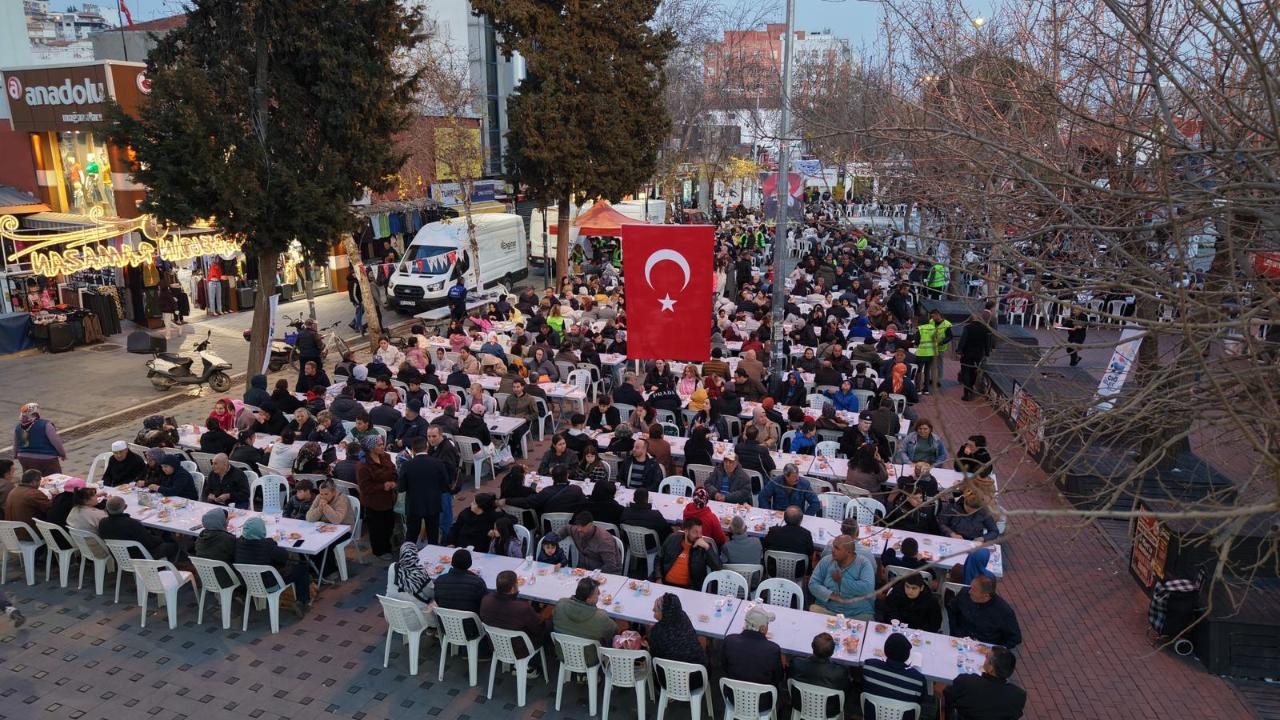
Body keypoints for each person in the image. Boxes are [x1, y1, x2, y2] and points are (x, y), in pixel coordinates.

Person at [236, 516, 312, 609]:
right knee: (301, 567)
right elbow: (284, 557)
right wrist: (273, 542)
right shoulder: (267, 545)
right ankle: (302, 602)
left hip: (247, 583)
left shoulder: (239, 543)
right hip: (270, 584)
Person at [480, 570, 546, 669]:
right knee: (548, 626)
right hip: (519, 648)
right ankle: (532, 665)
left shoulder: (486, 600)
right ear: (512, 589)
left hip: (495, 644)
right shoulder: (521, 608)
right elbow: (539, 628)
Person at [721, 606, 784, 706]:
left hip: (733, 697)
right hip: (762, 702)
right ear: (763, 629)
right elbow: (778, 678)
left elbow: (725, 666)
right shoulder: (773, 649)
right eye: (767, 624)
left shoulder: (729, 640)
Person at [943, 645, 1026, 720]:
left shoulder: (966, 682)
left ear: (991, 668)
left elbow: (947, 695)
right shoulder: (1019, 696)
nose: (984, 659)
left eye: (987, 657)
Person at [862, 632, 930, 718]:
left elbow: (864, 687)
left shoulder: (869, 666)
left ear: (886, 651)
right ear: (907, 655)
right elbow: (920, 701)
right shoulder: (918, 680)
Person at [552, 577, 619, 664]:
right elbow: (614, 631)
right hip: (589, 658)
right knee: (610, 637)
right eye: (597, 593)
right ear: (588, 599)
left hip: (563, 653)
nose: (599, 594)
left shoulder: (560, 604)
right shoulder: (600, 617)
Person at [398, 436, 451, 545]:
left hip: (414, 504)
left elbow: (401, 488)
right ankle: (432, 556)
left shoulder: (407, 465)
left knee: (411, 534)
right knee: (433, 534)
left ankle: (407, 555)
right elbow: (445, 485)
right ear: (426, 447)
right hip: (433, 503)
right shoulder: (438, 463)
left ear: (412, 449)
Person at [808, 534, 876, 618]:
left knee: (867, 623)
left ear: (849, 552)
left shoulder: (863, 563)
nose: (832, 550)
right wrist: (832, 595)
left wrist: (842, 581)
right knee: (813, 612)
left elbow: (868, 588)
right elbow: (813, 584)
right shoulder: (827, 560)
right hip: (827, 609)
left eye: (837, 548)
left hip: (857, 612)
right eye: (833, 547)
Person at [647, 593, 707, 686]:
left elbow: (655, 657)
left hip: (672, 681)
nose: (653, 610)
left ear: (664, 613)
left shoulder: (657, 632)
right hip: (699, 676)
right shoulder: (683, 617)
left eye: (656, 609)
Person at [948, 576, 1022, 649]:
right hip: (960, 641)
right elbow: (952, 609)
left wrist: (995, 650)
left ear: (986, 595)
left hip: (985, 648)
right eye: (971, 587)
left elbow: (1015, 638)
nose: (969, 591)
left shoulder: (1004, 612)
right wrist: (955, 632)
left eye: (974, 590)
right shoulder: (964, 593)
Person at [789, 633, 853, 718]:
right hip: (829, 711)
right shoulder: (839, 672)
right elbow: (846, 692)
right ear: (833, 652)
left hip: (800, 705)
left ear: (812, 646)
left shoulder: (796, 663)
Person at [356, 434, 398, 559]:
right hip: (373, 502)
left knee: (389, 525)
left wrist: (394, 481)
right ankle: (380, 551)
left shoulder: (386, 456)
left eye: (382, 444)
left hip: (388, 499)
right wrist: (383, 486)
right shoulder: (363, 466)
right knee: (377, 528)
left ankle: (387, 546)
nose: (382, 446)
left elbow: (393, 470)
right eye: (379, 445)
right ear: (371, 448)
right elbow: (364, 488)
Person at [98, 496, 177, 561]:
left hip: (118, 556)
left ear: (106, 508)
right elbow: (150, 542)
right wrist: (160, 539)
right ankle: (166, 568)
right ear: (125, 507)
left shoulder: (102, 522)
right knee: (172, 545)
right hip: (140, 556)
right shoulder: (131, 523)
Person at [658, 517, 721, 589]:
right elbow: (659, 558)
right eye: (695, 532)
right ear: (686, 531)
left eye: (700, 532)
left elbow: (718, 567)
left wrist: (707, 547)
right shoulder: (672, 539)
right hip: (666, 584)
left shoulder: (702, 548)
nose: (699, 536)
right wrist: (658, 577)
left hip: (689, 588)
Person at [555, 511, 622, 573]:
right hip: (584, 570)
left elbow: (610, 566)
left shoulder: (604, 540)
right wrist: (553, 540)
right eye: (578, 525)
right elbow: (566, 529)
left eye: (582, 526)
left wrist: (592, 574)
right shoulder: (577, 531)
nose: (579, 529)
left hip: (606, 573)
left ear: (591, 525)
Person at [877, 573, 943, 632]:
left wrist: (920, 630)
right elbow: (888, 612)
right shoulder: (896, 594)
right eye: (907, 586)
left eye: (914, 588)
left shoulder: (931, 601)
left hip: (919, 633)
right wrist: (897, 623)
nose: (910, 591)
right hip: (897, 629)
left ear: (921, 588)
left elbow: (935, 623)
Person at [14, 402, 66, 475]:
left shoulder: (18, 427)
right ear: (36, 413)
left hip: (24, 458)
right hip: (46, 458)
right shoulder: (45, 424)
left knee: (32, 481)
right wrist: (62, 453)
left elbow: (16, 443)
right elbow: (56, 441)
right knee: (52, 480)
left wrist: (16, 454)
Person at [193, 508, 238, 583]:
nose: (227, 521)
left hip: (206, 577)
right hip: (225, 577)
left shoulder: (201, 536)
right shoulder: (227, 538)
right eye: (226, 519)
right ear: (220, 522)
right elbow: (235, 556)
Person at [956, 313, 993, 401]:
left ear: (971, 319)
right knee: (974, 372)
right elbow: (987, 342)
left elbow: (963, 340)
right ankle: (971, 387)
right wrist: (987, 353)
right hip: (978, 354)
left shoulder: (967, 328)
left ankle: (966, 393)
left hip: (967, 353)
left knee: (965, 372)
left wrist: (959, 351)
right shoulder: (985, 329)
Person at [389, 541, 434, 608]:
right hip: (416, 614)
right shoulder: (419, 573)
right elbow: (431, 594)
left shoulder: (393, 567)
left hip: (393, 610)